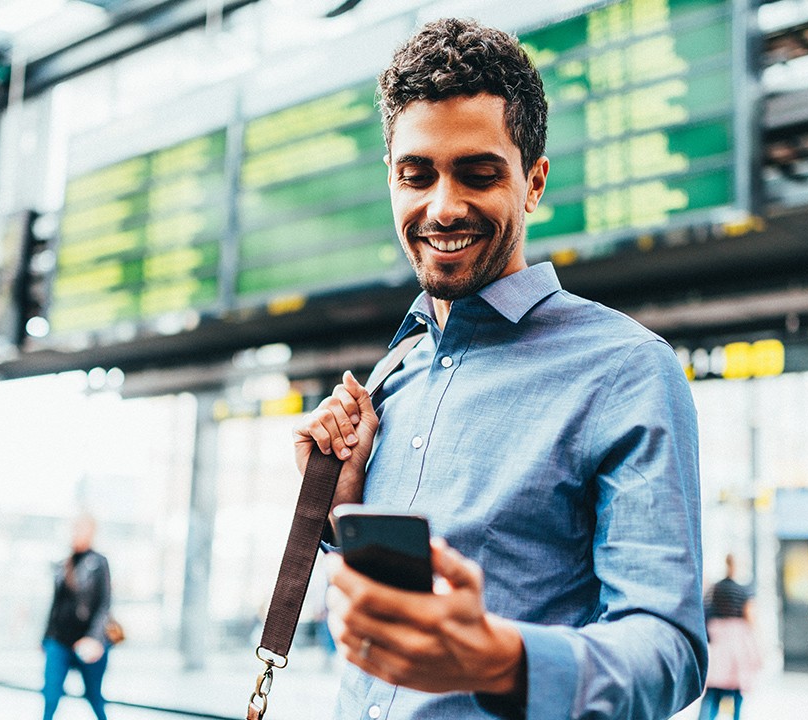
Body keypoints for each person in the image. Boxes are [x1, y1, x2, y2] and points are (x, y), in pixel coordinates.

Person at [293, 18, 706, 719]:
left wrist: (504, 661)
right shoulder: (395, 375)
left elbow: (669, 650)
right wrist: (337, 513)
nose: (443, 206)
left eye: (479, 174)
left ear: (533, 183)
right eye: (415, 175)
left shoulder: (627, 369)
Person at [42, 514, 112, 720]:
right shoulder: (64, 563)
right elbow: (56, 604)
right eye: (74, 528)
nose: (76, 533)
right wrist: (45, 637)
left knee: (94, 696)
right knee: (50, 694)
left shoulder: (99, 563)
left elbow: (104, 605)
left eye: (82, 529)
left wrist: (95, 638)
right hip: (59, 639)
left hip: (87, 641)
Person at [698, 554, 762, 720]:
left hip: (718, 644)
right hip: (737, 645)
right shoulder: (744, 590)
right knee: (736, 693)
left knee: (712, 693)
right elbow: (750, 617)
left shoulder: (715, 588)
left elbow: (705, 612)